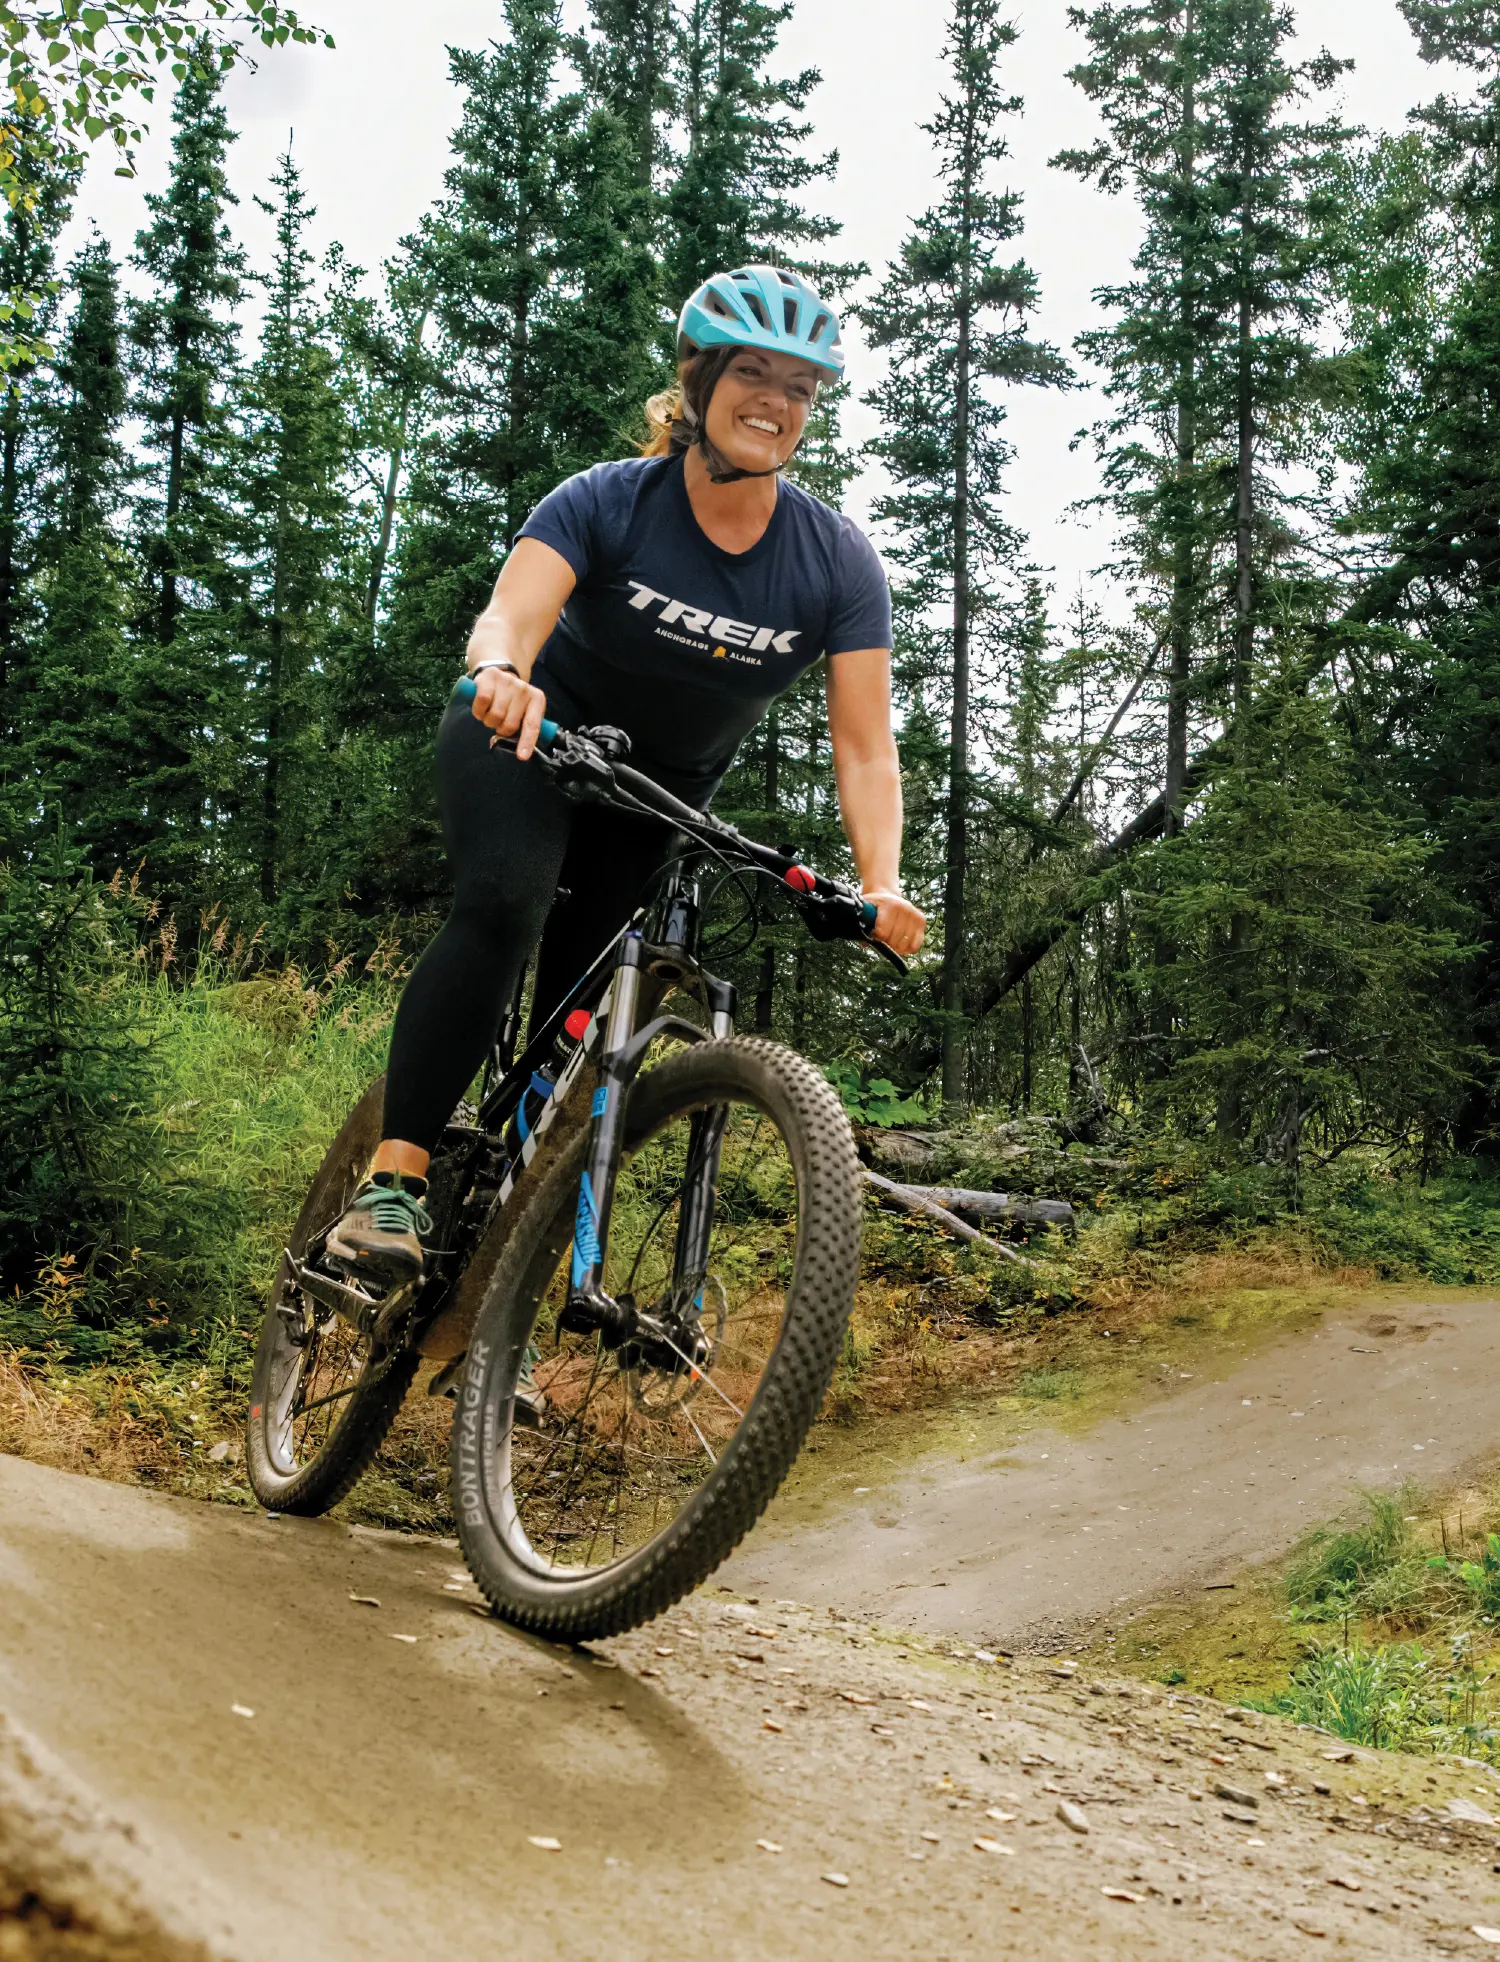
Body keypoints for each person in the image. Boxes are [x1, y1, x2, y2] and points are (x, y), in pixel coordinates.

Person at [327, 264, 928, 1279]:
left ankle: (495, 1274)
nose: (776, 404)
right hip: (528, 740)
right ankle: (393, 1178)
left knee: (593, 1009)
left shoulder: (835, 562)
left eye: (801, 388)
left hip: (658, 798)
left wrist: (882, 883)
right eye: (754, 374)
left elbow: (864, 746)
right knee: (508, 904)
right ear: (697, 382)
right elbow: (512, 611)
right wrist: (502, 674)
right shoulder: (607, 502)